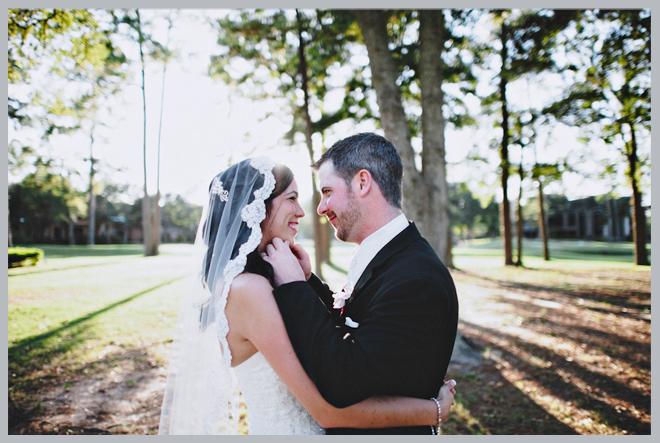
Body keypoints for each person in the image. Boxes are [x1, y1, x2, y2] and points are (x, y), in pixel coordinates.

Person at [158, 157, 457, 435]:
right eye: (291, 198)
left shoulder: (258, 280)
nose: (303, 211)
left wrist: (304, 281)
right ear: (257, 207)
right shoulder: (249, 290)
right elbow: (328, 411)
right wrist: (434, 410)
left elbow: (321, 341)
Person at [262, 133, 460, 434]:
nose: (320, 207)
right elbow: (357, 327)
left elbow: (343, 380)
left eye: (327, 191)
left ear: (362, 183)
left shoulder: (416, 278)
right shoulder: (390, 255)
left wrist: (293, 289)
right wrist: (308, 282)